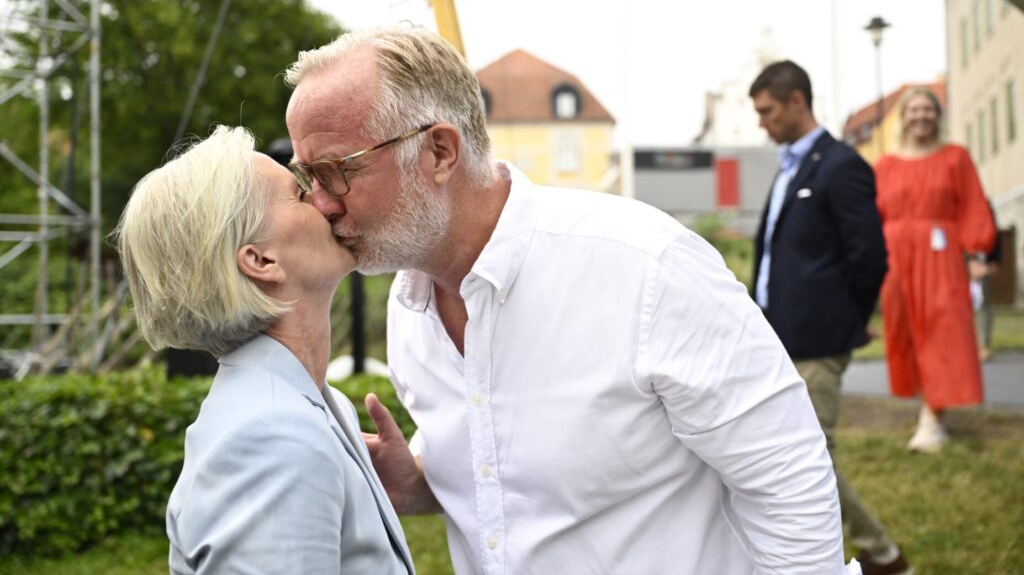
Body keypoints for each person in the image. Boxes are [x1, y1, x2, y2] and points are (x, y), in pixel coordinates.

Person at [285, 28, 855, 575]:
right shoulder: (412, 311)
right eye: (305, 175)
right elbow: (512, 466)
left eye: (336, 171)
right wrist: (421, 480)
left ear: (438, 151)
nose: (320, 203)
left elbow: (787, 479)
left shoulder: (644, 267)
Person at [114, 126, 414, 574]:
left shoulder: (299, 406)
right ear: (260, 261)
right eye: (299, 192)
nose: (325, 200)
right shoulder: (275, 434)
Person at [748, 60, 910, 575]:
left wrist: (845, 321)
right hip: (780, 338)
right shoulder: (789, 167)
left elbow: (870, 260)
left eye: (767, 110)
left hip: (818, 341)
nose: (761, 122)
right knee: (798, 453)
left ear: (797, 100)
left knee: (807, 459)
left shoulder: (841, 165)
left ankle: (880, 552)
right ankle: (877, 549)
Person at [874, 87, 997, 454]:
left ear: (937, 115)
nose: (921, 116)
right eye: (914, 109)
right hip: (895, 255)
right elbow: (872, 215)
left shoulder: (955, 157)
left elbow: (974, 204)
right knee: (906, 330)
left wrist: (977, 251)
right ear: (904, 116)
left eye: (928, 109)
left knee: (942, 329)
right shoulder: (885, 165)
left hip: (940, 254)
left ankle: (933, 417)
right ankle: (928, 406)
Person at [971, 200, 1001, 362]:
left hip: (983, 262)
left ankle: (984, 345)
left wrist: (994, 260)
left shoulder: (985, 205)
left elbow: (994, 234)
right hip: (960, 261)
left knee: (984, 305)